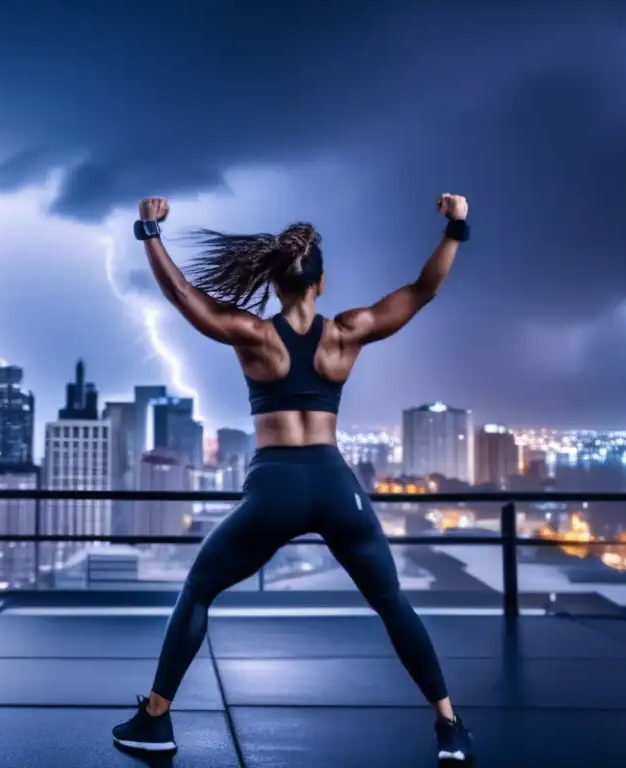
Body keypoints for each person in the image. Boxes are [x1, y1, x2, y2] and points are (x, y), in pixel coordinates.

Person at [112, 194, 474, 763]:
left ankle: (155, 720)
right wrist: (455, 227)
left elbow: (182, 295)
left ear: (275, 283)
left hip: (275, 488)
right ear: (320, 283)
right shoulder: (348, 332)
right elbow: (422, 290)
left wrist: (150, 230)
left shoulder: (254, 335)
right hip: (335, 485)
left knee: (199, 591)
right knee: (391, 601)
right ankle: (449, 725)